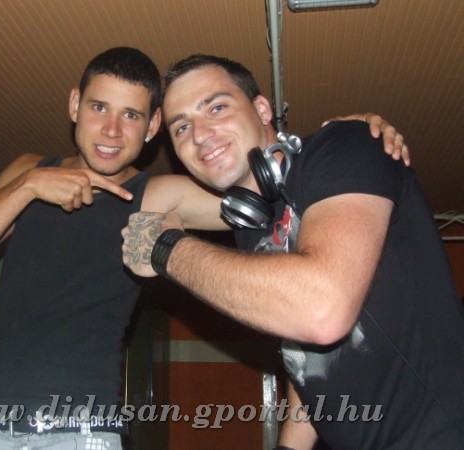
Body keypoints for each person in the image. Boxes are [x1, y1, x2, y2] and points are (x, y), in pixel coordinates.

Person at [0, 47, 407, 450]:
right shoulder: (28, 171)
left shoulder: (156, 194)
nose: (112, 130)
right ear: (75, 104)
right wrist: (28, 187)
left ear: (153, 124)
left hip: (78, 433)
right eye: (99, 108)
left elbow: (271, 191)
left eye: (131, 115)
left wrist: (345, 135)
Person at [121, 54, 464, 449]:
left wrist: (169, 250)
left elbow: (320, 312)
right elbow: (309, 358)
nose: (199, 134)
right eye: (182, 127)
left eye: (216, 107)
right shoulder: (252, 228)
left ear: (262, 109)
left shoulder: (343, 148)